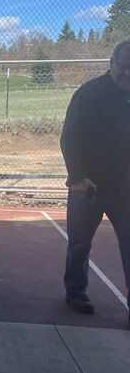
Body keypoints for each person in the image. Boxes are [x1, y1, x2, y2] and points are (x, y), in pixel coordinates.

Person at [60, 39, 130, 322]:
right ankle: (75, 291)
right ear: (112, 64)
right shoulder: (89, 94)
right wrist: (77, 177)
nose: (128, 73)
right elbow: (70, 137)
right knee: (79, 242)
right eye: (124, 66)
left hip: (125, 188)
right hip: (88, 187)